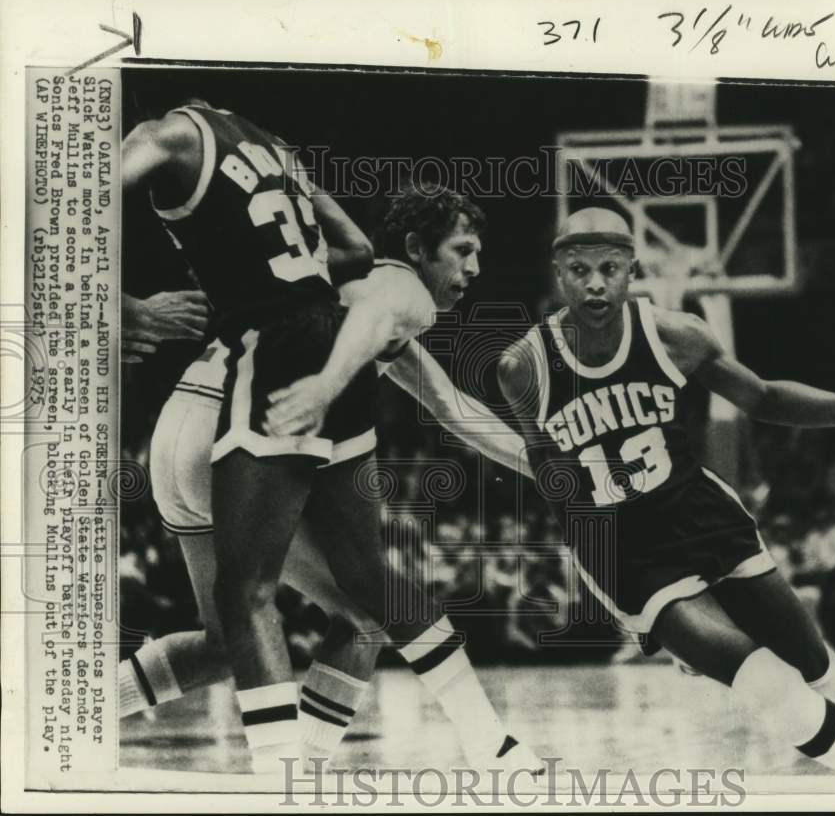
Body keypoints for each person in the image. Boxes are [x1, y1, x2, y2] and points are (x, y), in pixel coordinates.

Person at [122, 102, 536, 774]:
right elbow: (371, 303)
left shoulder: (335, 283)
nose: (475, 269)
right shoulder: (378, 289)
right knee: (363, 602)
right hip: (252, 406)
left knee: (228, 638)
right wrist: (324, 384)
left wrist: (542, 464)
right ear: (417, 249)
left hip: (180, 427)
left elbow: (455, 407)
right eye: (464, 251)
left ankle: (81, 707)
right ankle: (304, 768)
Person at [494, 206, 835, 776]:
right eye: (579, 269)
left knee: (821, 673)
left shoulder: (676, 335)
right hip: (625, 547)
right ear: (558, 273)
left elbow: (764, 398)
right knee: (762, 679)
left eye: (609, 267)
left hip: (700, 512)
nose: (595, 283)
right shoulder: (522, 367)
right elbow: (549, 476)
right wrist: (615, 587)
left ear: (631, 269)